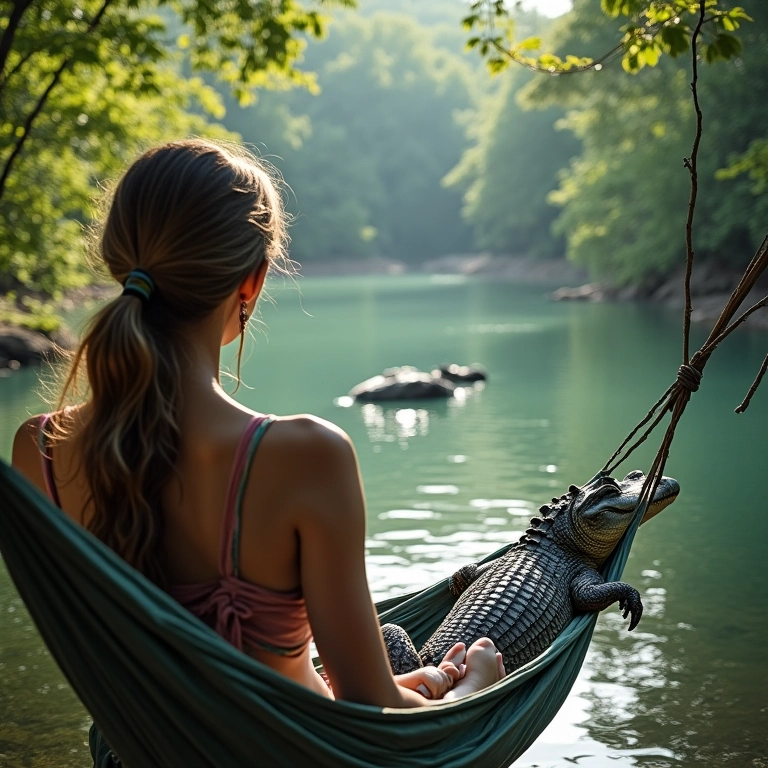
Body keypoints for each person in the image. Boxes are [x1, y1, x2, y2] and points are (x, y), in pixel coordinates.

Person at [11, 139, 503, 715]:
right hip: (295, 751)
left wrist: (406, 685)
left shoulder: (38, 449)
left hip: (150, 748)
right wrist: (475, 688)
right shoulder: (305, 456)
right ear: (252, 282)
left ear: (122, 262)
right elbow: (371, 709)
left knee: (397, 655)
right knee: (446, 656)